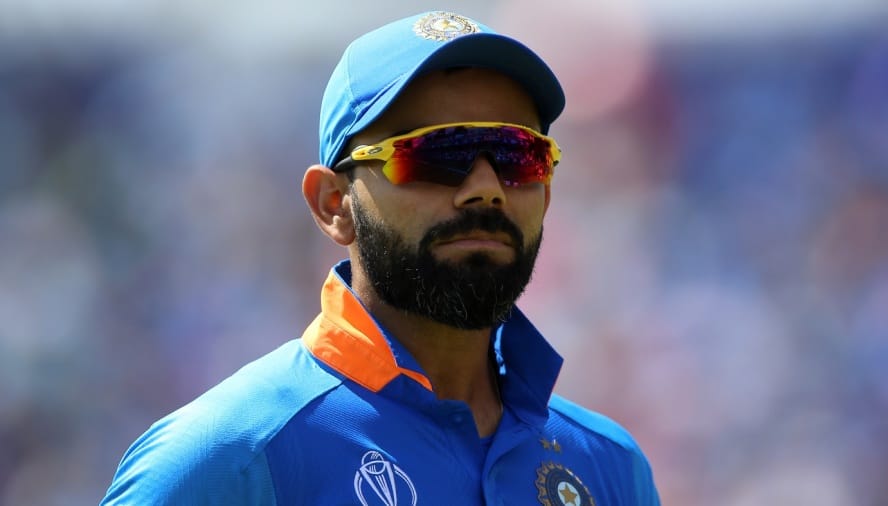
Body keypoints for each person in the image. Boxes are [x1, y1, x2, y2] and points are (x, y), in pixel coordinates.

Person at [101, 10, 660, 506]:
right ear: (333, 204)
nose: (486, 189)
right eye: (437, 153)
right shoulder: (226, 459)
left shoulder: (608, 465)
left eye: (520, 155)